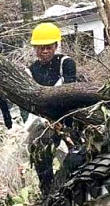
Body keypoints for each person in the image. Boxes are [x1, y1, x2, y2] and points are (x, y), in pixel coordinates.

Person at [26, 22, 77, 196]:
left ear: (55, 46)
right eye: (41, 48)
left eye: (48, 47)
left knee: (77, 152)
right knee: (39, 151)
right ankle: (47, 190)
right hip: (44, 122)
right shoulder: (31, 70)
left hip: (69, 118)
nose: (45, 51)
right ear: (35, 49)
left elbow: (70, 90)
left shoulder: (65, 63)